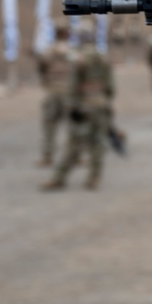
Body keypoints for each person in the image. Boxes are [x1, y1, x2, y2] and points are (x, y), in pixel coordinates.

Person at [41, 25, 115, 191]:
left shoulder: (78, 59)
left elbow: (73, 85)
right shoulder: (102, 57)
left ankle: (59, 177)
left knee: (74, 143)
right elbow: (110, 85)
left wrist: (72, 106)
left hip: (84, 106)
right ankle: (94, 177)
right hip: (100, 104)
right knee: (98, 142)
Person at [34, 22, 75, 167]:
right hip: (70, 93)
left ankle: (48, 156)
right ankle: (74, 157)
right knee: (73, 126)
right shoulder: (73, 51)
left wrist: (47, 81)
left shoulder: (49, 51)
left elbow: (41, 68)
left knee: (50, 126)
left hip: (52, 91)